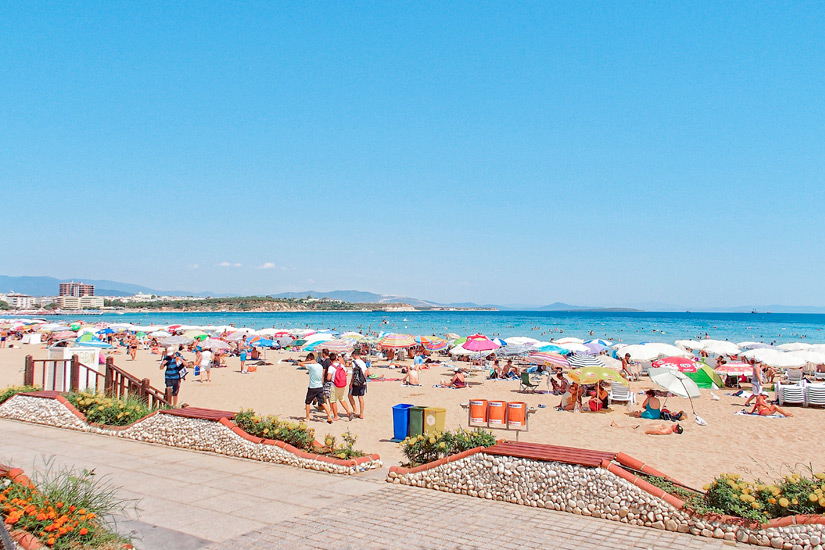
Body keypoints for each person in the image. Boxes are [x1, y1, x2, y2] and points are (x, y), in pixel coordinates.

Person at [300, 353, 333, 423]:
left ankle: (307, 417)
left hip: (313, 387)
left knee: (307, 402)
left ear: (309, 359)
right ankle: (329, 416)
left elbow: (300, 364)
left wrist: (309, 362)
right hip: (320, 386)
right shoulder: (320, 366)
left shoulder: (311, 366)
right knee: (322, 402)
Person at [328, 354, 353, 420]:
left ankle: (336, 416)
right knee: (342, 399)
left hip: (334, 385)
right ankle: (348, 412)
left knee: (333, 401)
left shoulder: (331, 367)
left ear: (330, 360)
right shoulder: (341, 365)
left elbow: (328, 378)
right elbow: (346, 374)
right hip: (342, 385)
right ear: (336, 359)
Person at [348, 349, 369, 419]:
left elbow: (354, 373)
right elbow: (366, 372)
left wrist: (351, 383)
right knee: (360, 397)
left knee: (350, 395)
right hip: (363, 382)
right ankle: (361, 414)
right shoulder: (363, 362)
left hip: (356, 382)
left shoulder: (354, 362)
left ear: (354, 355)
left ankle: (355, 410)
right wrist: (364, 380)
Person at [610, 421, 684, 435]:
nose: (674, 425)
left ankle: (615, 427)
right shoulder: (669, 428)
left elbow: (659, 432)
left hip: (645, 429)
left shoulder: (669, 430)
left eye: (676, 426)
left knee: (629, 429)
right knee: (630, 427)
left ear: (676, 430)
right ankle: (616, 426)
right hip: (645, 427)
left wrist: (648, 432)